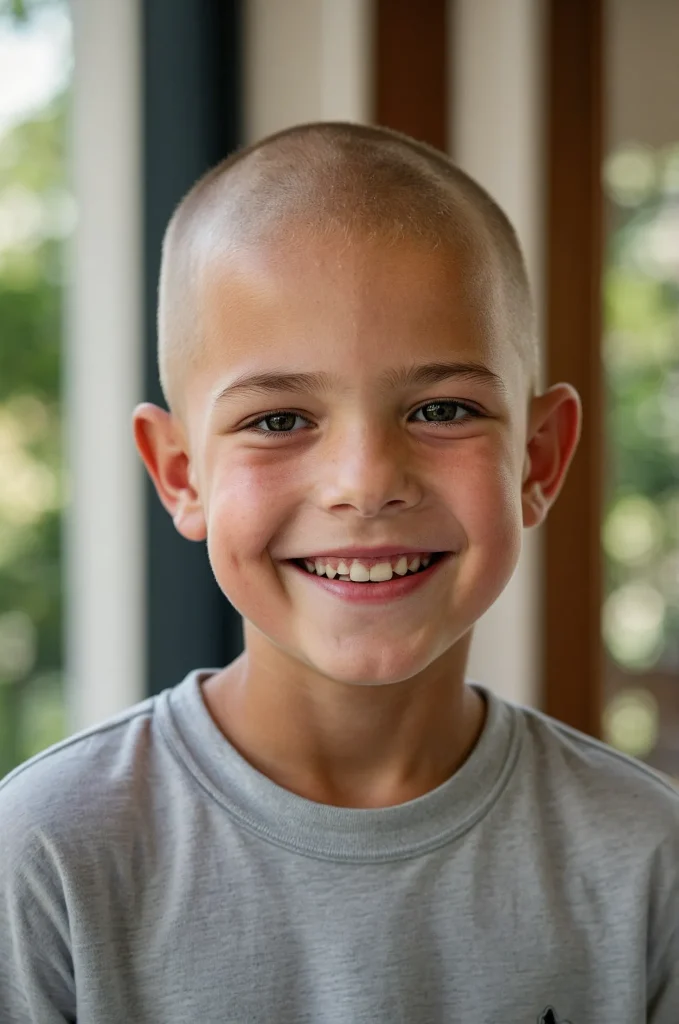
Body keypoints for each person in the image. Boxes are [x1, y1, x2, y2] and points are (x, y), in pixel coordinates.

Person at [0, 122, 677, 1024]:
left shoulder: (646, 860)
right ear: (179, 474)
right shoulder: (49, 856)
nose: (364, 483)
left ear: (538, 461)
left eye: (441, 409)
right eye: (279, 421)